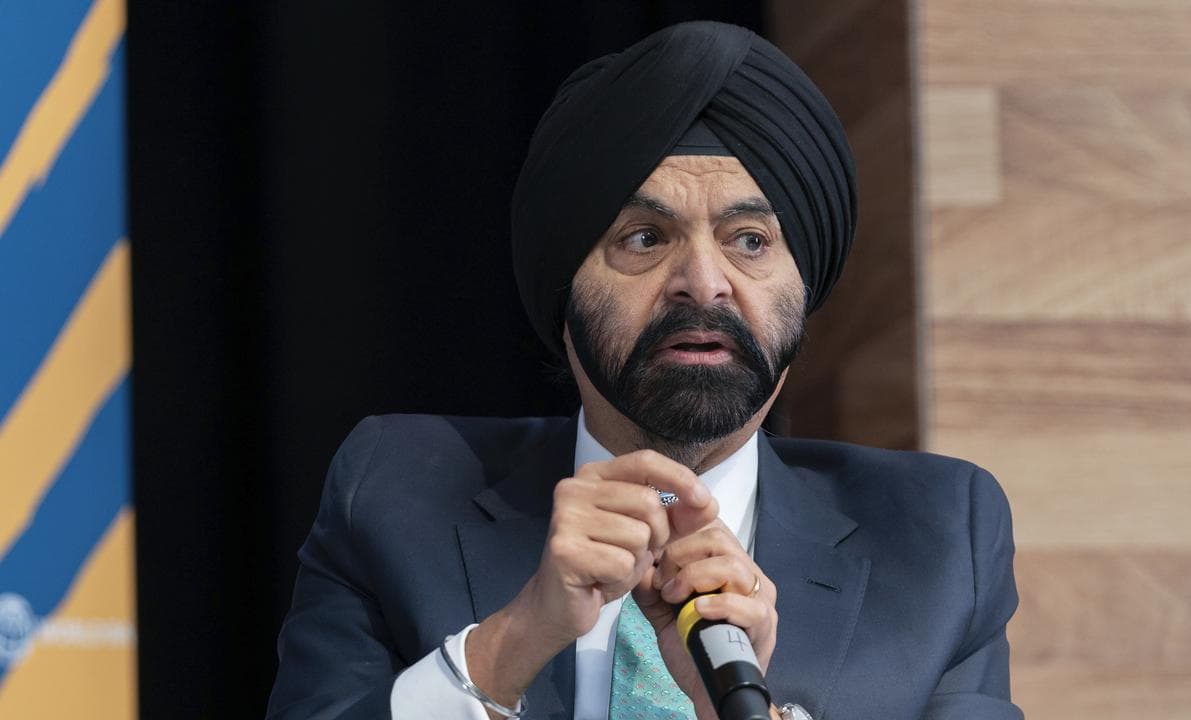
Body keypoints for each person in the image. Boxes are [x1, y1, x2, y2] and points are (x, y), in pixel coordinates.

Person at [266, 21, 1020, 720]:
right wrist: (509, 646)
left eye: (750, 240)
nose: (704, 279)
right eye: (645, 236)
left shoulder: (937, 542)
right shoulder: (395, 495)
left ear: (805, 286)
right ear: (565, 291)